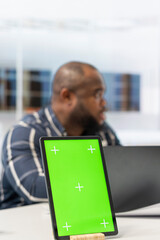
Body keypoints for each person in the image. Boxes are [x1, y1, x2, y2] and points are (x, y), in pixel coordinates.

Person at [0, 61, 120, 209]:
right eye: (97, 94)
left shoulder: (102, 131)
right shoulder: (25, 133)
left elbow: (126, 173)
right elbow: (35, 189)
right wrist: (105, 183)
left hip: (81, 220)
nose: (103, 103)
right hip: (23, 225)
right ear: (67, 96)